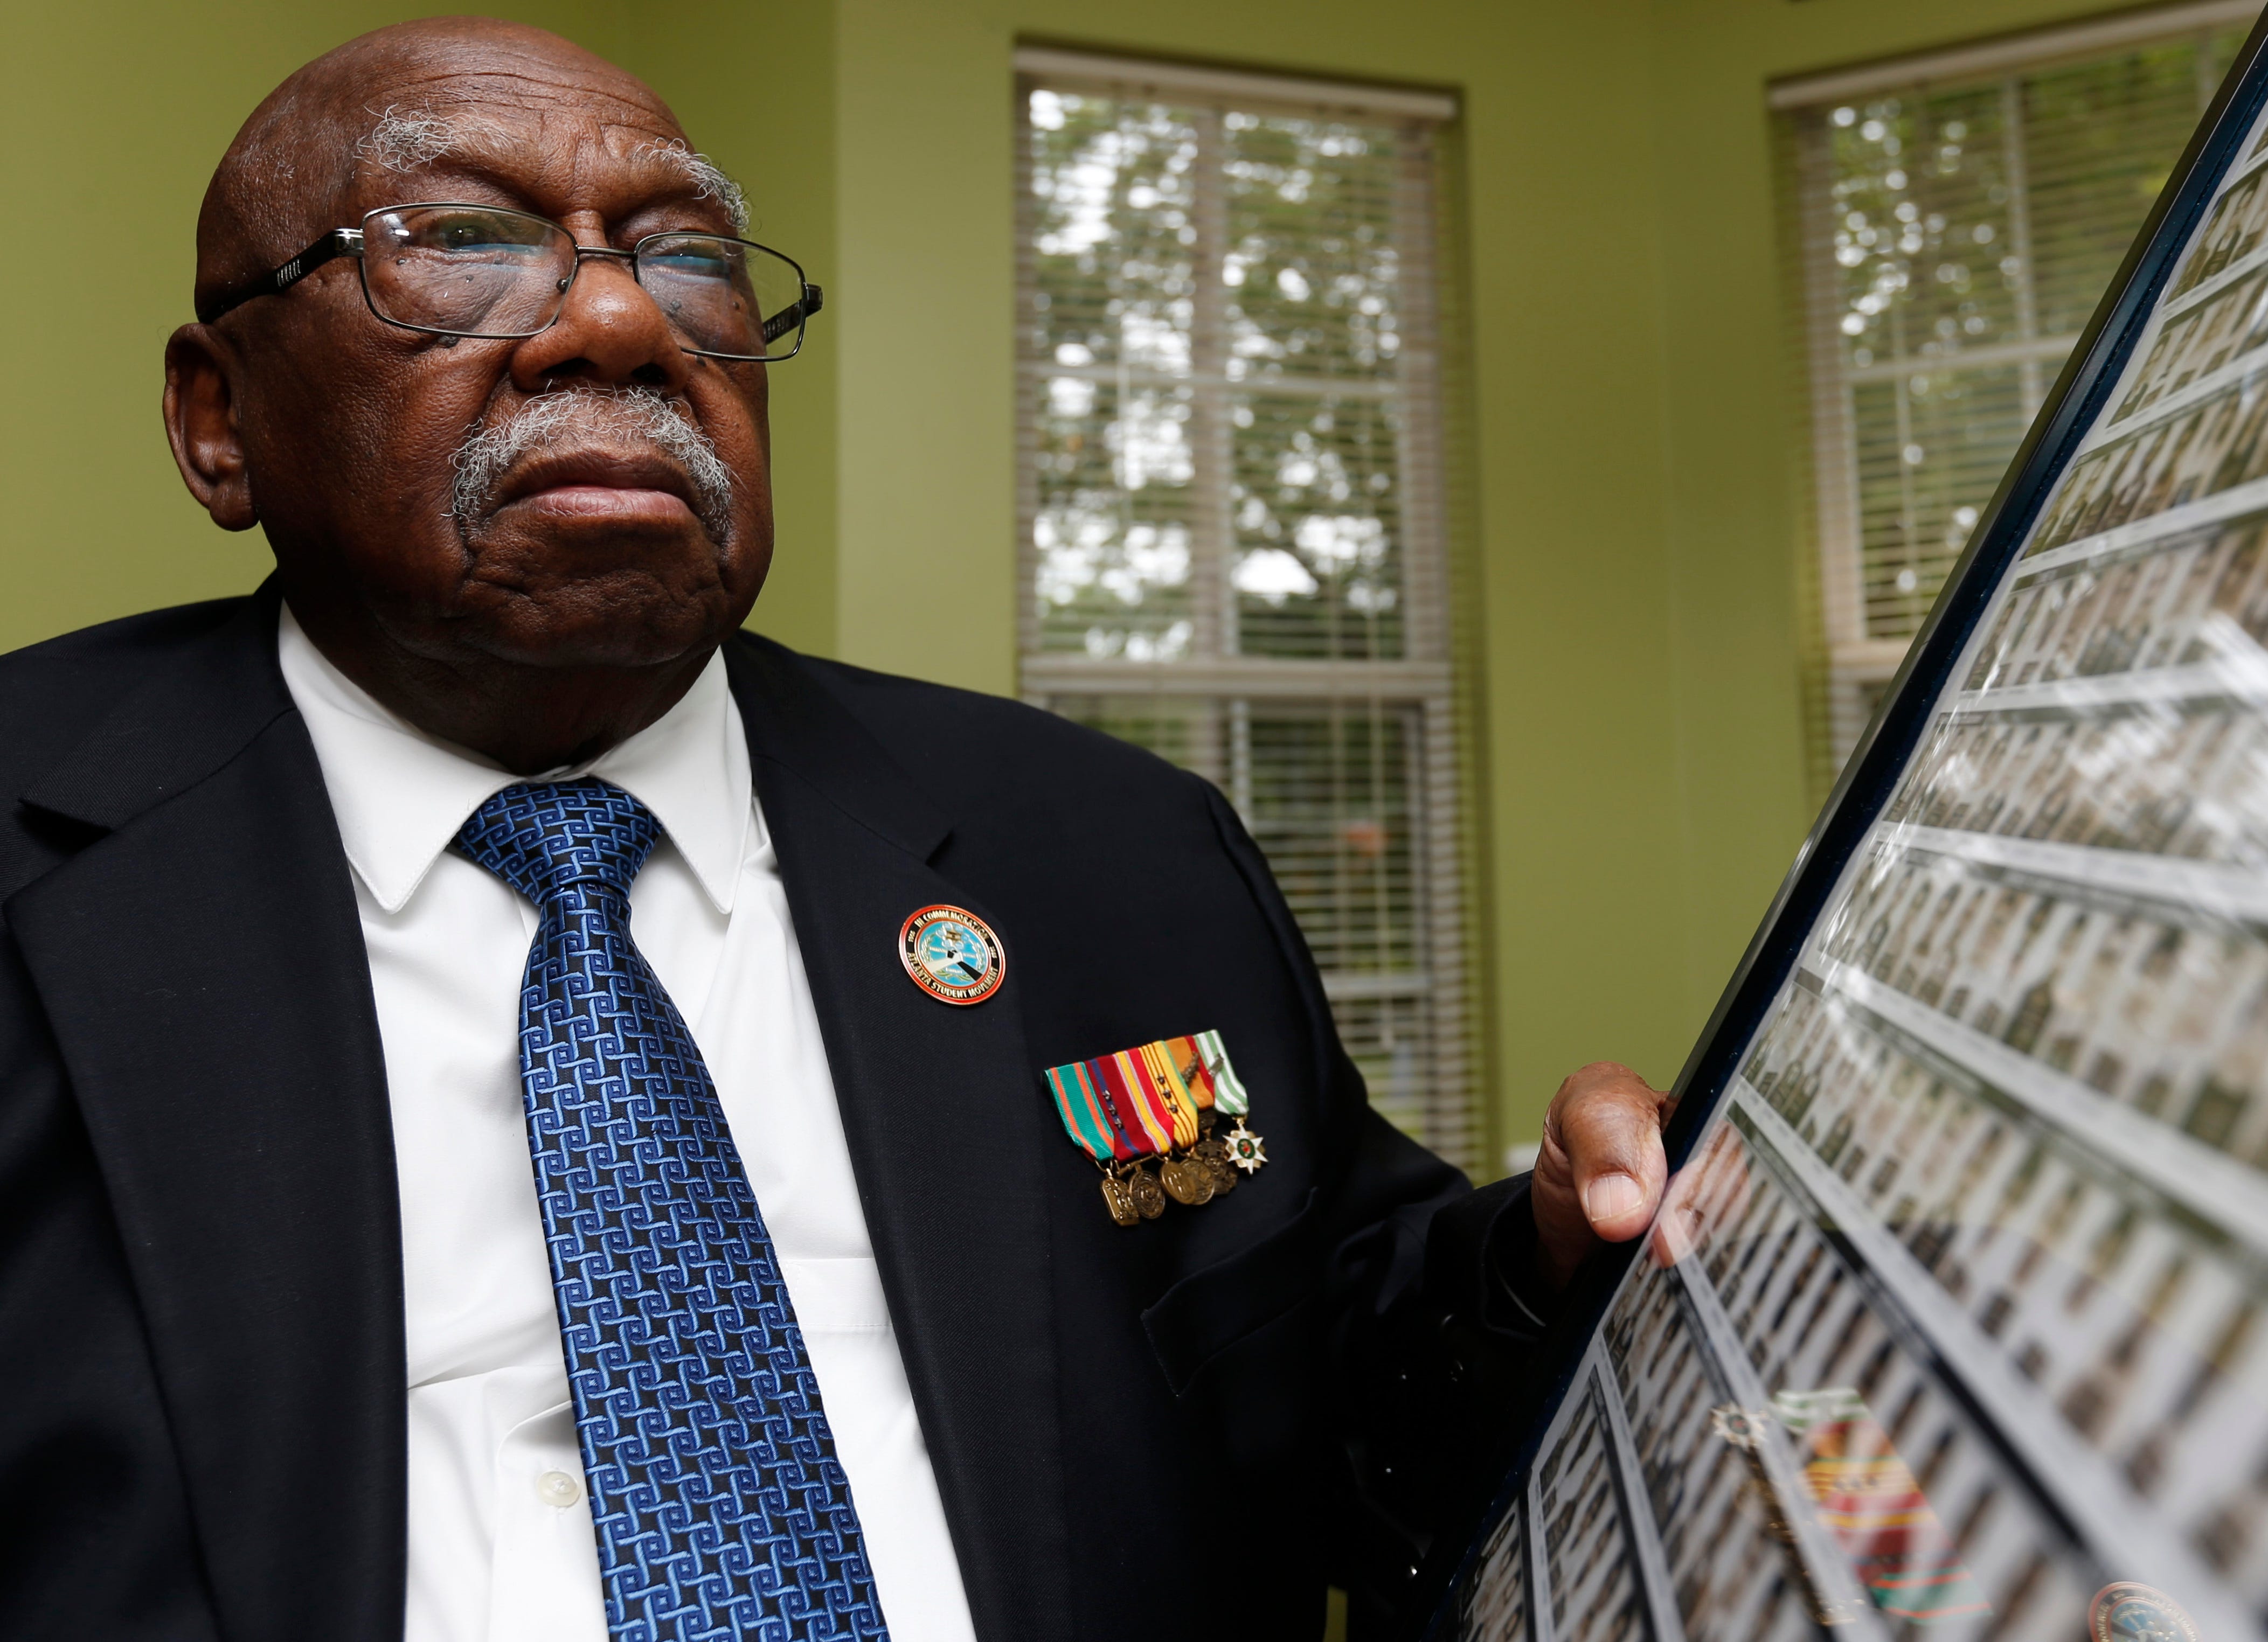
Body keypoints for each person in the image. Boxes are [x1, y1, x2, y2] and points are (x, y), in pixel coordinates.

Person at [0, 19, 1669, 1641]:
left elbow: (1348, 1389)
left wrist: (1544, 1256)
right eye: (460, 240)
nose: (614, 323)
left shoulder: (1109, 851)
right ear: (220, 421)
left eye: (688, 257)